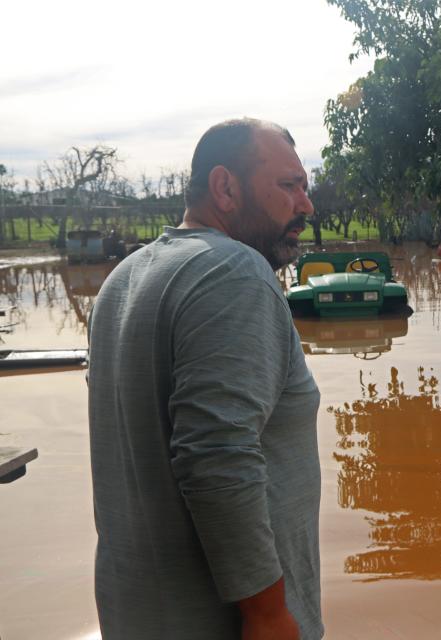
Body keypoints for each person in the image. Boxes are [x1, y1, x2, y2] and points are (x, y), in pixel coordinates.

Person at [87, 118, 321, 639]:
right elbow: (217, 454)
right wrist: (268, 616)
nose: (304, 205)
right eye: (288, 186)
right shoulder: (234, 272)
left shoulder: (122, 281)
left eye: (304, 187)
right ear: (225, 187)